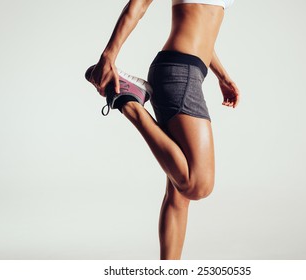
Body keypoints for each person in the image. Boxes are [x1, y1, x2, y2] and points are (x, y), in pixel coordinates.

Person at [86, 0, 240, 260]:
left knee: (179, 194)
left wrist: (222, 76)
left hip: (188, 71)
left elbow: (202, 28)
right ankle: (129, 102)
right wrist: (109, 56)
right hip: (180, 73)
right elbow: (138, 6)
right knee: (197, 185)